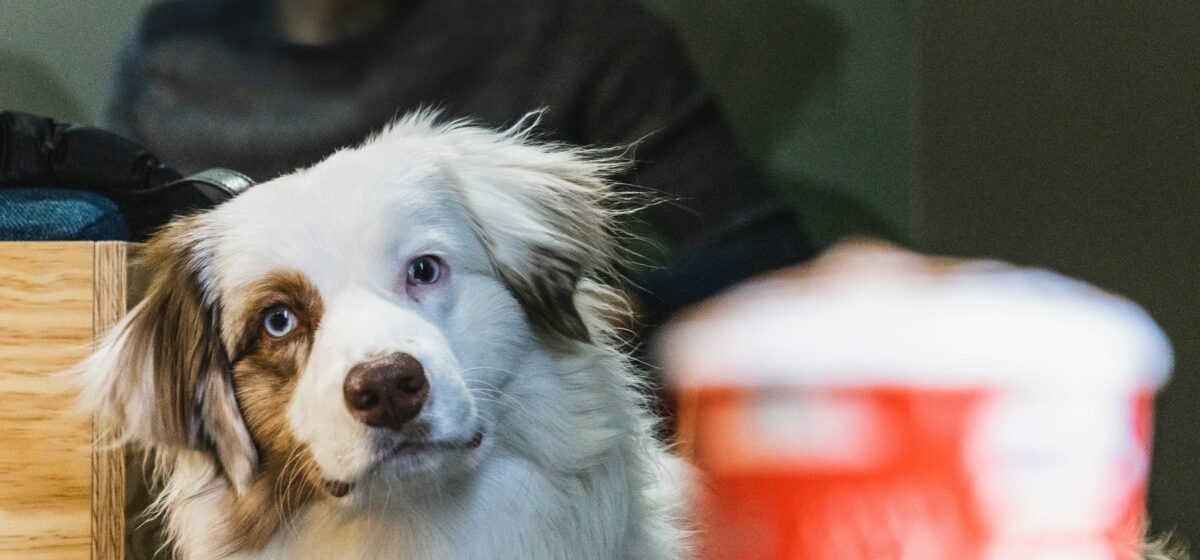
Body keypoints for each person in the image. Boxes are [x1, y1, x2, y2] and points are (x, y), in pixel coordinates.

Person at [106, 0, 814, 330]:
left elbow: (768, 256)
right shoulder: (169, 58)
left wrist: (607, 307)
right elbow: (105, 285)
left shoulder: (577, 33)